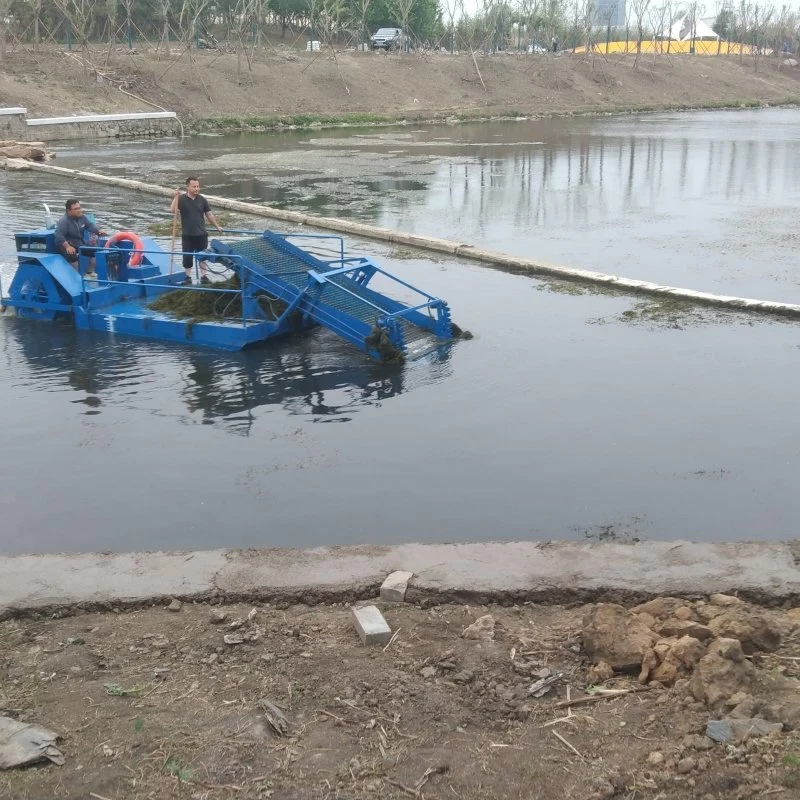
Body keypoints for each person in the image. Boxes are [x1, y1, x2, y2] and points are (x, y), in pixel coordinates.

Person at [170, 176, 222, 285]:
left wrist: (217, 226)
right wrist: (175, 197)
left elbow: (209, 214)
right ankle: (188, 277)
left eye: (198, 186)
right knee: (187, 256)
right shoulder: (182, 199)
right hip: (187, 234)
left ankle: (204, 276)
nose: (197, 189)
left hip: (201, 233)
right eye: (194, 187)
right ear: (188, 187)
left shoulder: (202, 199)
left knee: (203, 256)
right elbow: (173, 210)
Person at [54, 199, 106, 275]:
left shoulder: (83, 217)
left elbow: (90, 226)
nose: (79, 210)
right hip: (64, 244)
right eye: (76, 209)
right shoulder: (63, 221)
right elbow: (59, 236)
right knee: (71, 254)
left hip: (78, 243)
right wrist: (68, 246)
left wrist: (98, 231)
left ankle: (89, 273)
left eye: (79, 208)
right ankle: (76, 276)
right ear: (69, 211)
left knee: (94, 252)